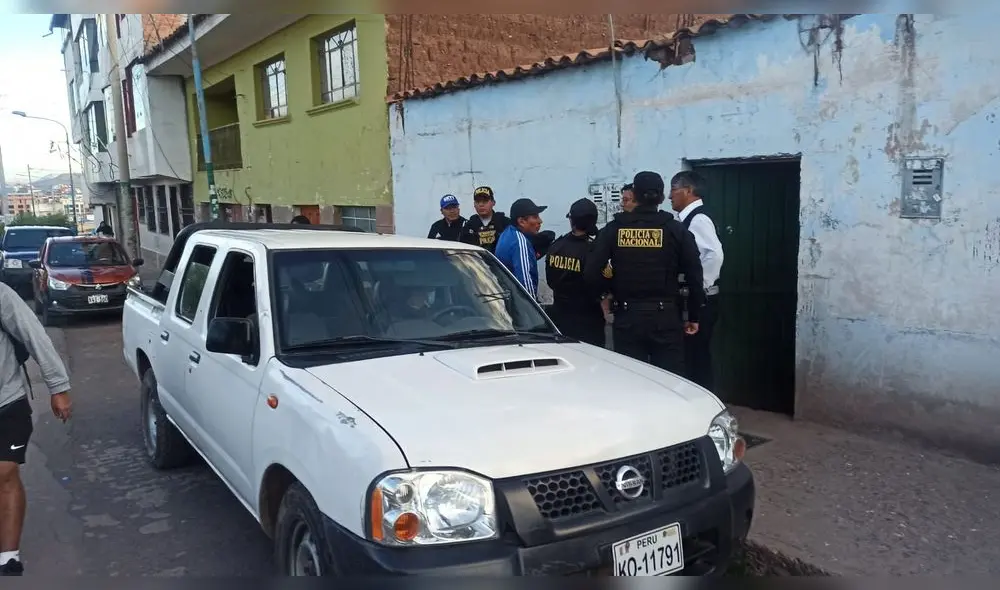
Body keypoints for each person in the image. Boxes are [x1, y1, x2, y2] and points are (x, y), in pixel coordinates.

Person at [585, 171, 704, 374]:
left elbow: (591, 271)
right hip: (665, 317)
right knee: (670, 382)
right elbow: (695, 274)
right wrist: (694, 315)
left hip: (627, 316)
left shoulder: (614, 229)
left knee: (632, 382)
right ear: (661, 196)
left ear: (635, 195)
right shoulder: (676, 230)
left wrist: (605, 295)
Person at [0, 282, 72, 576]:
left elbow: (34, 335)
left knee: (4, 472)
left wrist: (59, 386)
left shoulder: (1, 294)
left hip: (6, 401)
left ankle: (8, 557)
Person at [669, 170, 724, 391]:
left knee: (696, 357)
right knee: (692, 356)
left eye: (673, 190)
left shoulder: (698, 219)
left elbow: (714, 255)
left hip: (698, 301)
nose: (670, 196)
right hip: (694, 299)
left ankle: (705, 405)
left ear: (688, 191)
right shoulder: (689, 220)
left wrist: (699, 288)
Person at [545, 199, 607, 347]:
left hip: (560, 316)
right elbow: (598, 283)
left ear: (571, 220)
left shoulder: (556, 246)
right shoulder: (594, 249)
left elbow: (550, 281)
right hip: (588, 319)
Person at [495, 198, 546, 300]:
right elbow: (526, 285)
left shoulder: (507, 233)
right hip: (517, 304)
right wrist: (532, 310)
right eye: (535, 217)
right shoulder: (519, 242)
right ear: (521, 221)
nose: (540, 221)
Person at [460, 186, 509, 253]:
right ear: (474, 204)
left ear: (493, 202)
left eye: (485, 201)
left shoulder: (504, 222)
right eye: (478, 201)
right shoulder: (469, 226)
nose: (481, 205)